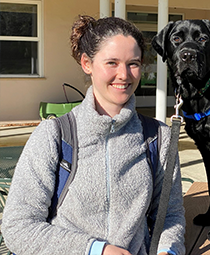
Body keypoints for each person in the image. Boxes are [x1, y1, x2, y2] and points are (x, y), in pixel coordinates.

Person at [2, 15, 185, 255]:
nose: (124, 75)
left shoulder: (159, 138)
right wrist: (95, 249)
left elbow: (170, 215)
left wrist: (167, 251)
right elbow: (18, 227)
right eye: (112, 62)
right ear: (87, 63)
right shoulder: (54, 136)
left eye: (134, 63)